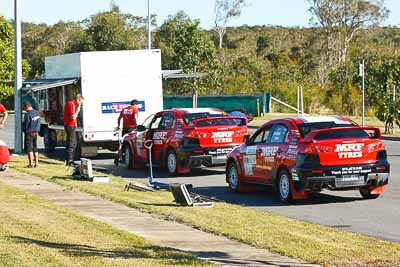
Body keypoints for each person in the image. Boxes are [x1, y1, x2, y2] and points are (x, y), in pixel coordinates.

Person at [64, 94, 84, 166]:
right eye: (80, 102)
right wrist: (78, 110)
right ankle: (69, 160)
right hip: (69, 125)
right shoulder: (71, 104)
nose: (81, 104)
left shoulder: (73, 104)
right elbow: (73, 117)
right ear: (78, 100)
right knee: (71, 142)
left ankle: (70, 159)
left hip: (72, 125)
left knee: (74, 142)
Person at [22, 102, 41, 168]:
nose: (24, 109)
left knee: (29, 149)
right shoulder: (37, 113)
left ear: (27, 106)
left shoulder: (27, 114)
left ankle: (31, 164)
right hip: (36, 133)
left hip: (29, 133)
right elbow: (39, 123)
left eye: (24, 108)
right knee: (35, 148)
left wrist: (24, 129)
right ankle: (37, 163)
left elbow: (26, 124)